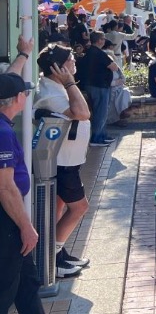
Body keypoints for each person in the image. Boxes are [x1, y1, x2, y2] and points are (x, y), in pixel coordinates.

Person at [34, 45, 92, 278]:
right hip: (61, 163)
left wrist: (68, 83)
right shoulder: (51, 93)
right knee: (79, 208)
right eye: (69, 59)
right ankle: (52, 257)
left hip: (69, 160)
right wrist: (69, 83)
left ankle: (57, 253)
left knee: (58, 207)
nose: (74, 62)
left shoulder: (55, 87)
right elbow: (82, 113)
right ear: (57, 67)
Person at [0, 38, 44, 314]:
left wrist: (24, 53)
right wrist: (26, 226)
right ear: (17, 99)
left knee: (27, 283)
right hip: (7, 222)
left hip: (11, 220)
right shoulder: (3, 134)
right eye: (25, 93)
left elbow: (9, 79)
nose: (26, 96)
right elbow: (5, 188)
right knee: (5, 288)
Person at [85, 31, 120, 146]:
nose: (104, 40)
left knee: (101, 111)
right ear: (99, 40)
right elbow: (114, 67)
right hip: (100, 86)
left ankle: (102, 134)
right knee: (101, 112)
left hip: (93, 84)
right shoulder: (99, 53)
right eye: (103, 38)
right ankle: (96, 138)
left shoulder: (90, 51)